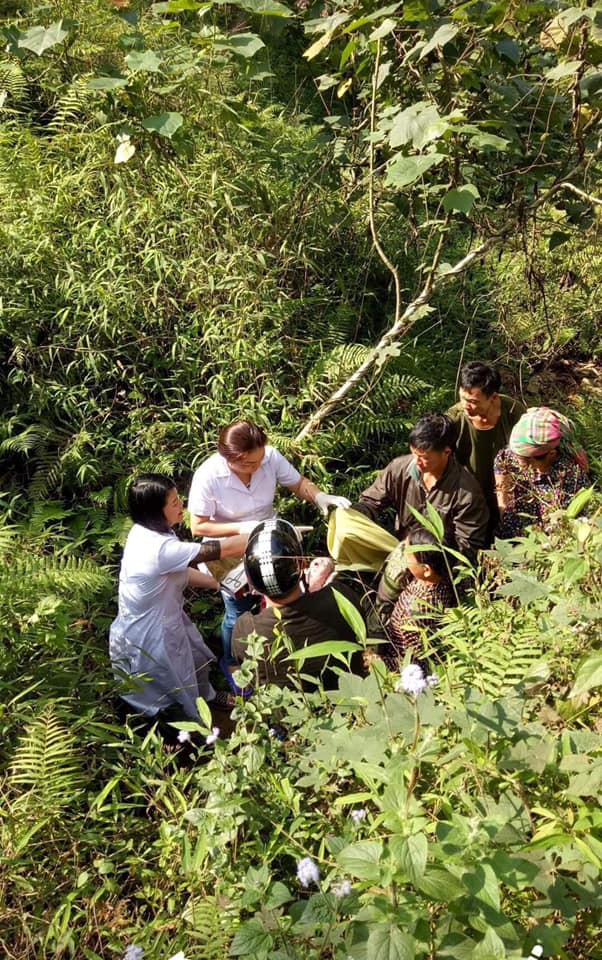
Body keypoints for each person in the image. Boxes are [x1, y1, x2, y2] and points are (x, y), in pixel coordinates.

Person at [188, 420, 350, 664]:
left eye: (260, 459)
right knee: (237, 610)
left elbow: (298, 483)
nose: (258, 466)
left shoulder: (270, 458)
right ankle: (233, 661)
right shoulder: (209, 476)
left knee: (280, 599)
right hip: (230, 551)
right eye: (250, 463)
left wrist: (319, 496)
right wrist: (243, 528)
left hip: (270, 544)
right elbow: (198, 526)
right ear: (231, 459)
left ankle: (280, 653)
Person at [109, 474, 248, 723]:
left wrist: (219, 584)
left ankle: (207, 697)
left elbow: (178, 570)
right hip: (152, 635)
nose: (181, 505)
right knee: (174, 683)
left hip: (166, 619)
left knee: (195, 660)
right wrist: (257, 531)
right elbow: (222, 549)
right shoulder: (159, 548)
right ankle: (193, 730)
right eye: (173, 503)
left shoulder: (145, 532)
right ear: (154, 511)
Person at [231, 519, 365, 688]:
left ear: (251, 582)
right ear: (302, 565)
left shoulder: (245, 630)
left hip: (287, 711)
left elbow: (248, 672)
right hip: (352, 700)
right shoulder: (340, 596)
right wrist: (318, 590)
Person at [355, 412, 489, 567]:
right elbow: (371, 502)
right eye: (414, 454)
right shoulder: (400, 468)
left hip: (438, 568)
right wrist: (352, 512)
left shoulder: (466, 493)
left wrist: (434, 566)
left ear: (446, 452)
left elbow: (467, 547)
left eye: (424, 457)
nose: (416, 462)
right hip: (399, 555)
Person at [447, 361, 526, 532]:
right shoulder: (455, 418)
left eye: (474, 401)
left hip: (510, 490)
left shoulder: (512, 411)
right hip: (471, 494)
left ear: (493, 397)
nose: (466, 406)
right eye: (463, 399)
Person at [494, 407, 590, 539]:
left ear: (551, 454)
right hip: (515, 534)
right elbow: (502, 497)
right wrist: (504, 516)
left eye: (522, 460)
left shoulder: (570, 474)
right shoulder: (508, 457)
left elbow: (573, 521)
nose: (517, 462)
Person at [378, 530, 455, 670]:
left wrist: (379, 662)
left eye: (408, 555)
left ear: (426, 570)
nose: (403, 556)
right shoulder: (446, 575)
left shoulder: (412, 615)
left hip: (403, 661)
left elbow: (420, 662)